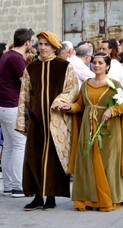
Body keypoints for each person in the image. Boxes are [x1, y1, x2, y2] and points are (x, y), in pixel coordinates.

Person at [56, 52, 123, 212]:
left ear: (107, 66)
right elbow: (80, 105)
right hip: (87, 129)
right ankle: (89, 198)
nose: (96, 65)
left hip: (109, 130)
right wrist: (69, 106)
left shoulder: (115, 84)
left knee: (107, 164)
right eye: (94, 62)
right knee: (87, 163)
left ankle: (108, 197)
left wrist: (112, 110)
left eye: (100, 63)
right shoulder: (86, 85)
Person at [16, 31, 79, 210]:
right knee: (34, 157)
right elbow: (24, 95)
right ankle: (37, 197)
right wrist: (23, 119)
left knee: (53, 157)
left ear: (54, 46)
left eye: (46, 44)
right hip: (36, 120)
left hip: (56, 121)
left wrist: (60, 100)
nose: (42, 47)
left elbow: (73, 89)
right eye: (40, 44)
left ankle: (51, 196)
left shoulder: (64, 66)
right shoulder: (31, 68)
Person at [0, 28, 34, 197]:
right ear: (27, 42)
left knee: (9, 146)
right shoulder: (16, 58)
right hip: (12, 106)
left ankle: (8, 185)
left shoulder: (7, 55)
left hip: (4, 106)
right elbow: (25, 84)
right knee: (19, 145)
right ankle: (17, 186)